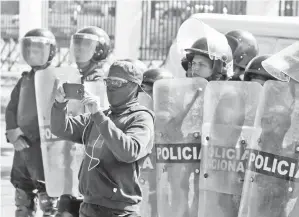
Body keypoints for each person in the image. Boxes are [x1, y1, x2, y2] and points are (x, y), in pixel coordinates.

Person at [51, 60, 155, 217]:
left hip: (119, 210)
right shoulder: (101, 116)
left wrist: (98, 115)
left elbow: (128, 151)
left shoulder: (140, 117)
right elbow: (61, 129)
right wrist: (60, 104)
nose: (111, 86)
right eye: (109, 81)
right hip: (89, 206)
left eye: (117, 82)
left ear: (133, 87)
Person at [55, 26, 112, 217]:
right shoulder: (72, 77)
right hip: (70, 151)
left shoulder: (104, 81)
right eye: (76, 46)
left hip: (90, 155)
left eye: (86, 46)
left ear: (99, 50)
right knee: (66, 205)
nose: (78, 51)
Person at [5, 28, 58, 217]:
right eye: (29, 50)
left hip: (46, 148)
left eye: (38, 50)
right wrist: (13, 132)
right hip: (22, 147)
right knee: (22, 196)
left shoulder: (56, 79)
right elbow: (11, 108)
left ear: (50, 51)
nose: (32, 55)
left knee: (50, 199)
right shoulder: (25, 80)